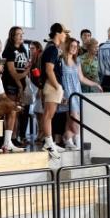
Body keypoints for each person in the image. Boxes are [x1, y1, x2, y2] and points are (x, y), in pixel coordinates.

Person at [61, 36, 100, 150]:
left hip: (77, 91)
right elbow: (58, 78)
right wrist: (62, 93)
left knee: (70, 118)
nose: (74, 48)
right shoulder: (61, 60)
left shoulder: (76, 60)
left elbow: (81, 78)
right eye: (72, 46)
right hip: (67, 92)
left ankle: (68, 139)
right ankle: (78, 141)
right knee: (74, 117)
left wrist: (95, 84)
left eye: (76, 47)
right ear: (67, 46)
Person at [37, 23, 68, 154]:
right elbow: (49, 70)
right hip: (51, 85)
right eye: (64, 32)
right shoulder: (52, 49)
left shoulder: (54, 48)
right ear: (58, 33)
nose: (66, 35)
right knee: (48, 115)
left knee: (50, 115)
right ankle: (48, 143)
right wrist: (57, 86)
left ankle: (50, 142)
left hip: (53, 85)